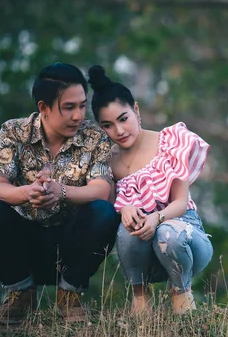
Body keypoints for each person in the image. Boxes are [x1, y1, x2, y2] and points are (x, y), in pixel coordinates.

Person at [0, 62, 120, 324]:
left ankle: (70, 294)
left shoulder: (95, 136)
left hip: (73, 245)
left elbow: (101, 190)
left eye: (82, 105)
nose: (78, 115)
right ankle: (20, 293)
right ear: (43, 107)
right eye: (69, 107)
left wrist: (61, 191)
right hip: (25, 243)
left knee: (104, 212)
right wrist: (28, 193)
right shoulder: (13, 131)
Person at [88, 65, 213, 314]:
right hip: (143, 253)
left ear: (135, 110)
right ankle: (140, 298)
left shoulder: (169, 142)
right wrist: (125, 209)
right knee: (127, 229)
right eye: (108, 125)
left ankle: (181, 292)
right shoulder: (106, 162)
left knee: (166, 233)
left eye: (123, 119)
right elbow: (110, 207)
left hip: (184, 239)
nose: (119, 131)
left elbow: (179, 202)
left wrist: (156, 217)